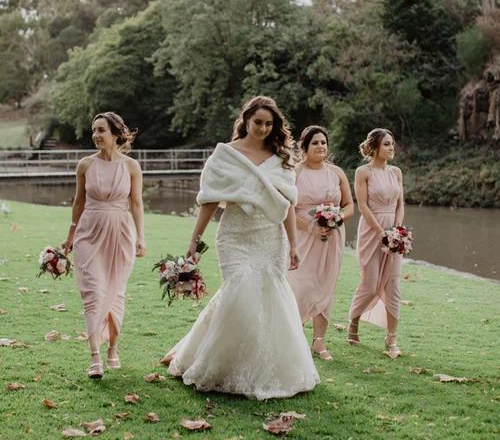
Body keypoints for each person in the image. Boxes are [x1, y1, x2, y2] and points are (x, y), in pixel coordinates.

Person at [160, 96, 320, 399]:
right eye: (257, 122)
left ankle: (265, 369)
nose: (263, 128)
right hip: (235, 235)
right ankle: (220, 365)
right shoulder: (225, 156)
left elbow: (287, 205)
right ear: (246, 120)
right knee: (240, 294)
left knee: (271, 299)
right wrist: (195, 238)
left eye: (268, 124)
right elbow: (209, 200)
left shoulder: (280, 158)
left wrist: (294, 245)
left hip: (270, 236)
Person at [62, 112, 146, 378]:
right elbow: (78, 202)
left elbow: (136, 204)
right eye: (93, 130)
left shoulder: (131, 167)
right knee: (93, 292)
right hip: (89, 233)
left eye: (101, 130)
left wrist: (141, 237)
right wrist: (70, 235)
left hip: (120, 233)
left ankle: (113, 348)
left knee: (115, 293)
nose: (95, 135)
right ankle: (94, 356)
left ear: (115, 134)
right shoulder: (85, 165)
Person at [288, 126, 354, 361]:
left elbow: (349, 205)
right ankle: (293, 338)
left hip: (332, 237)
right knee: (300, 286)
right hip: (302, 236)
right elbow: (287, 209)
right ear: (304, 147)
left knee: (325, 286)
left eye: (323, 142)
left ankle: (319, 341)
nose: (320, 147)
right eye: (315, 143)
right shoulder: (294, 172)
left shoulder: (336, 173)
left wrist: (337, 218)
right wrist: (311, 227)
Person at [347, 128, 405, 358]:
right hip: (372, 232)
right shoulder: (363, 172)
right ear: (375, 147)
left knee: (393, 285)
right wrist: (383, 233)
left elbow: (400, 204)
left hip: (394, 233)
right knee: (370, 286)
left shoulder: (396, 172)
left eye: (392, 144)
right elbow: (362, 206)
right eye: (387, 144)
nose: (391, 148)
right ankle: (353, 322)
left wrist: (397, 231)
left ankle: (391, 338)